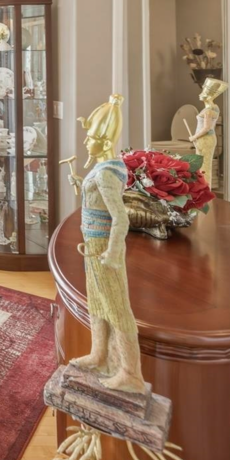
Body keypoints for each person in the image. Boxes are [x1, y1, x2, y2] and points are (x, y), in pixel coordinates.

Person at [64, 94, 145, 394]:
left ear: (103, 140)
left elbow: (120, 218)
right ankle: (100, 355)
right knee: (97, 303)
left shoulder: (108, 174)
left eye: (90, 138)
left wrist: (112, 252)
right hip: (93, 245)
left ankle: (130, 373)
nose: (85, 143)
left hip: (103, 250)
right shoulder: (103, 169)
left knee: (117, 307)